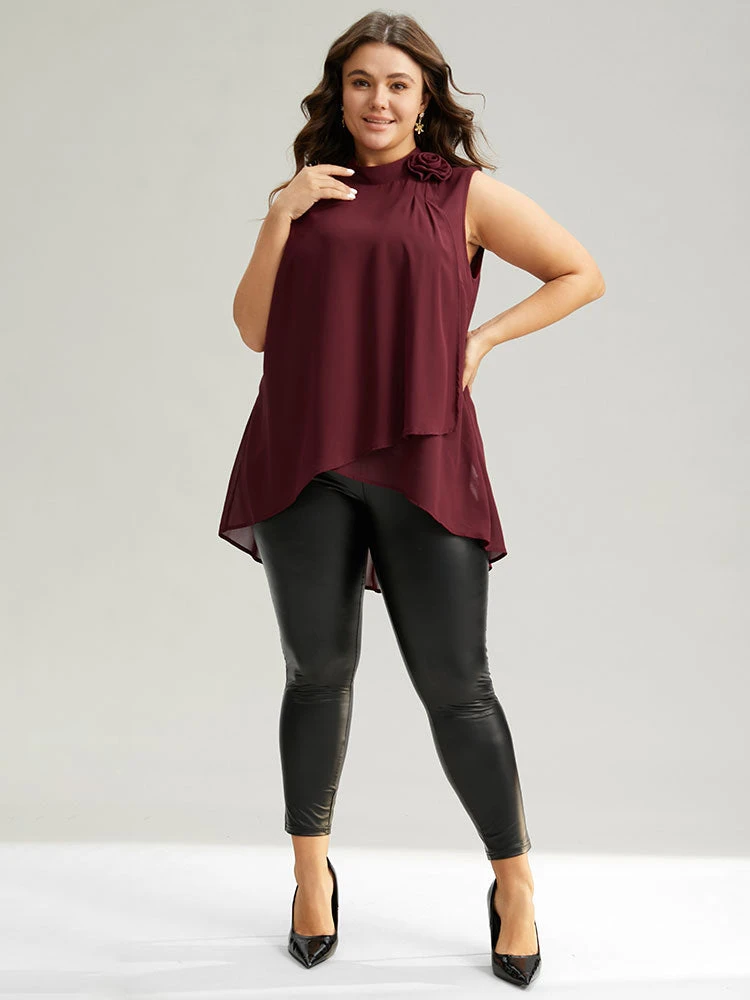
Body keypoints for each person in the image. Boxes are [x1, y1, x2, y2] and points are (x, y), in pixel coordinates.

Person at [219, 11, 605, 985]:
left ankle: (514, 885)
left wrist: (482, 340)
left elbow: (580, 273)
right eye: (361, 82)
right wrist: (280, 213)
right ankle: (311, 877)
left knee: (458, 689)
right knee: (316, 673)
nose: (378, 100)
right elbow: (254, 330)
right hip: (303, 460)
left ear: (425, 97)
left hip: (424, 458)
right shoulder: (308, 195)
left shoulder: (464, 195)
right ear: (338, 94)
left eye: (397, 83)